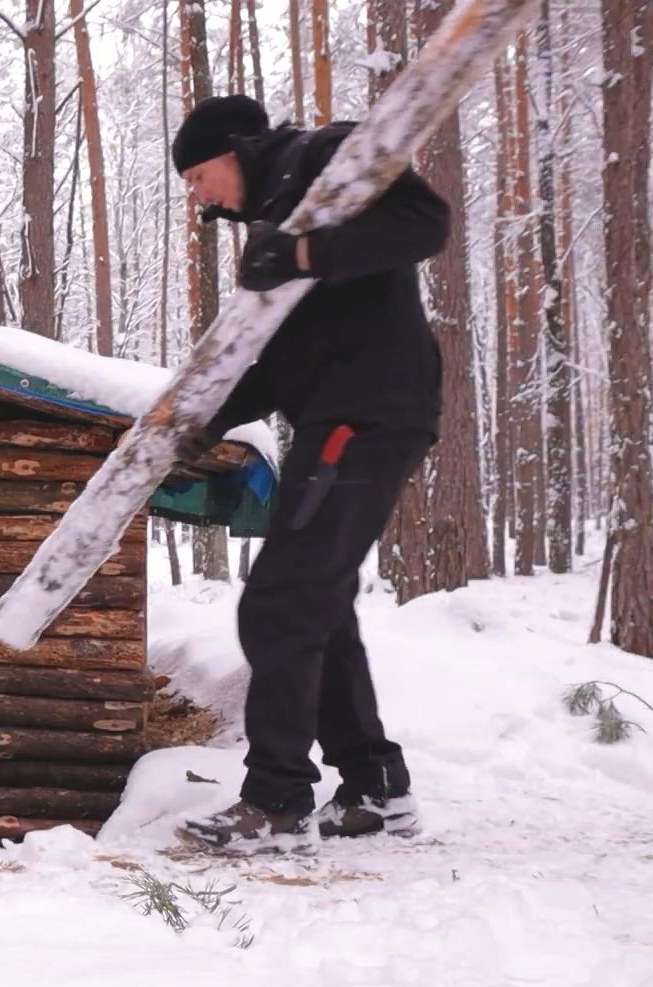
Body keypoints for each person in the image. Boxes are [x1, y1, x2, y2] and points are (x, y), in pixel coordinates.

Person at [167, 94, 451, 853]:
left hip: (366, 412)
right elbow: (283, 360)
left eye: (198, 175)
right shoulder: (267, 228)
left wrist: (300, 254)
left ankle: (277, 801)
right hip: (333, 418)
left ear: (233, 148)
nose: (198, 195)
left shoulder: (324, 155)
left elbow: (425, 223)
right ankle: (374, 790)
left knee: (278, 604)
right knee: (316, 602)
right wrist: (206, 416)